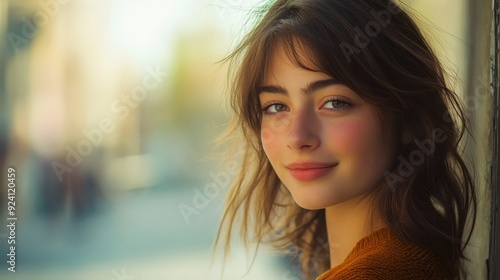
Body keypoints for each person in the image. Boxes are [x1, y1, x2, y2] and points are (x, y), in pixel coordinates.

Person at [211, 0, 478, 279]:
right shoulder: (419, 259)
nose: (297, 137)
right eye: (276, 107)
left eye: (335, 103)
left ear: (409, 118)